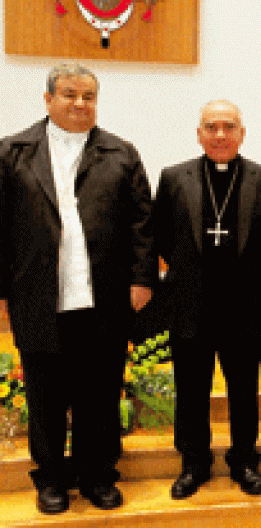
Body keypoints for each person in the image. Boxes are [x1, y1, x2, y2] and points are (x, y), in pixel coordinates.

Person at [0, 63, 153, 514]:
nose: (80, 103)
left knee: (100, 393)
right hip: (38, 296)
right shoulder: (12, 153)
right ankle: (50, 478)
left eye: (88, 96)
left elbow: (142, 224)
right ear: (47, 99)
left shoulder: (121, 153)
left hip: (102, 297)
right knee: (45, 395)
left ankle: (98, 474)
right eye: (69, 94)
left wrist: (142, 278)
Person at [153, 100, 261, 499]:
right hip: (191, 304)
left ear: (242, 133)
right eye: (211, 126)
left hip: (246, 306)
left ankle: (243, 460)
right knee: (191, 389)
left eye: (229, 127)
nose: (220, 134)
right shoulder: (174, 178)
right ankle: (194, 463)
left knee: (244, 389)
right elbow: (161, 237)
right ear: (199, 133)